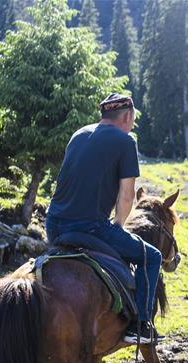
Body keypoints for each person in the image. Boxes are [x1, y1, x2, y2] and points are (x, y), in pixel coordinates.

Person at [45, 93, 163, 345]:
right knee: (151, 257)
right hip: (90, 228)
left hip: (54, 224)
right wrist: (118, 226)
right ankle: (139, 324)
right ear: (128, 116)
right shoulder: (125, 141)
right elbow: (127, 195)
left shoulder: (78, 135)